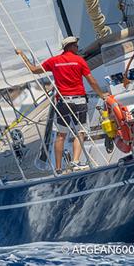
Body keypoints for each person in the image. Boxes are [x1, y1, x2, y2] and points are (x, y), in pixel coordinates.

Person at [16, 36, 108, 174]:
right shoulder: (79, 61)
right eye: (76, 46)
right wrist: (102, 95)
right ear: (70, 46)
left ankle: (58, 168)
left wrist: (22, 55)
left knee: (61, 135)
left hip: (62, 102)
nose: (77, 48)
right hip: (79, 101)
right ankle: (75, 162)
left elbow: (33, 70)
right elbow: (92, 81)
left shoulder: (54, 61)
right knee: (81, 132)